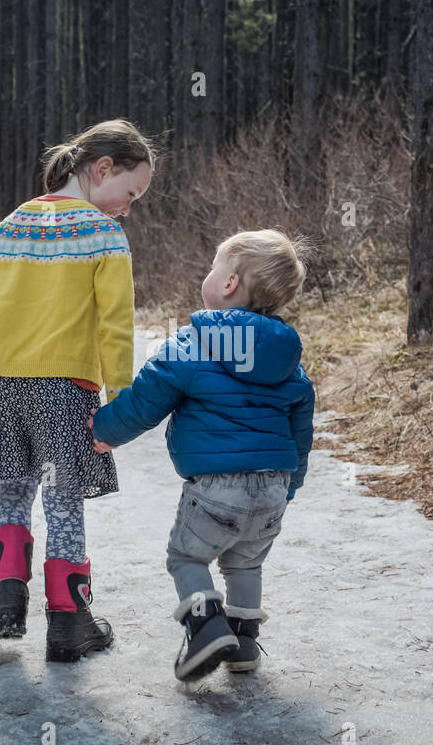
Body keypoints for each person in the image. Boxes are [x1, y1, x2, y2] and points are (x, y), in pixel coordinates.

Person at [89, 230, 315, 680]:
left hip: (217, 488)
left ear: (229, 284)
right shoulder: (288, 360)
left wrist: (104, 431)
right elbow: (300, 427)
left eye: (215, 266)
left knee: (187, 558)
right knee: (245, 562)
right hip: (273, 488)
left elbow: (146, 400)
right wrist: (290, 486)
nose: (209, 274)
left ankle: (205, 625)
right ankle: (244, 643)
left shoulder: (193, 344)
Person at [0, 118, 156, 662]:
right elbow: (115, 328)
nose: (128, 207)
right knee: (64, 500)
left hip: (1, 383)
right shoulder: (104, 235)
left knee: (13, 489)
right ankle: (68, 621)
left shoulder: (11, 224)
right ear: (102, 170)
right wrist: (120, 401)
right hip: (64, 388)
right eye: (130, 192)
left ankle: (5, 602)